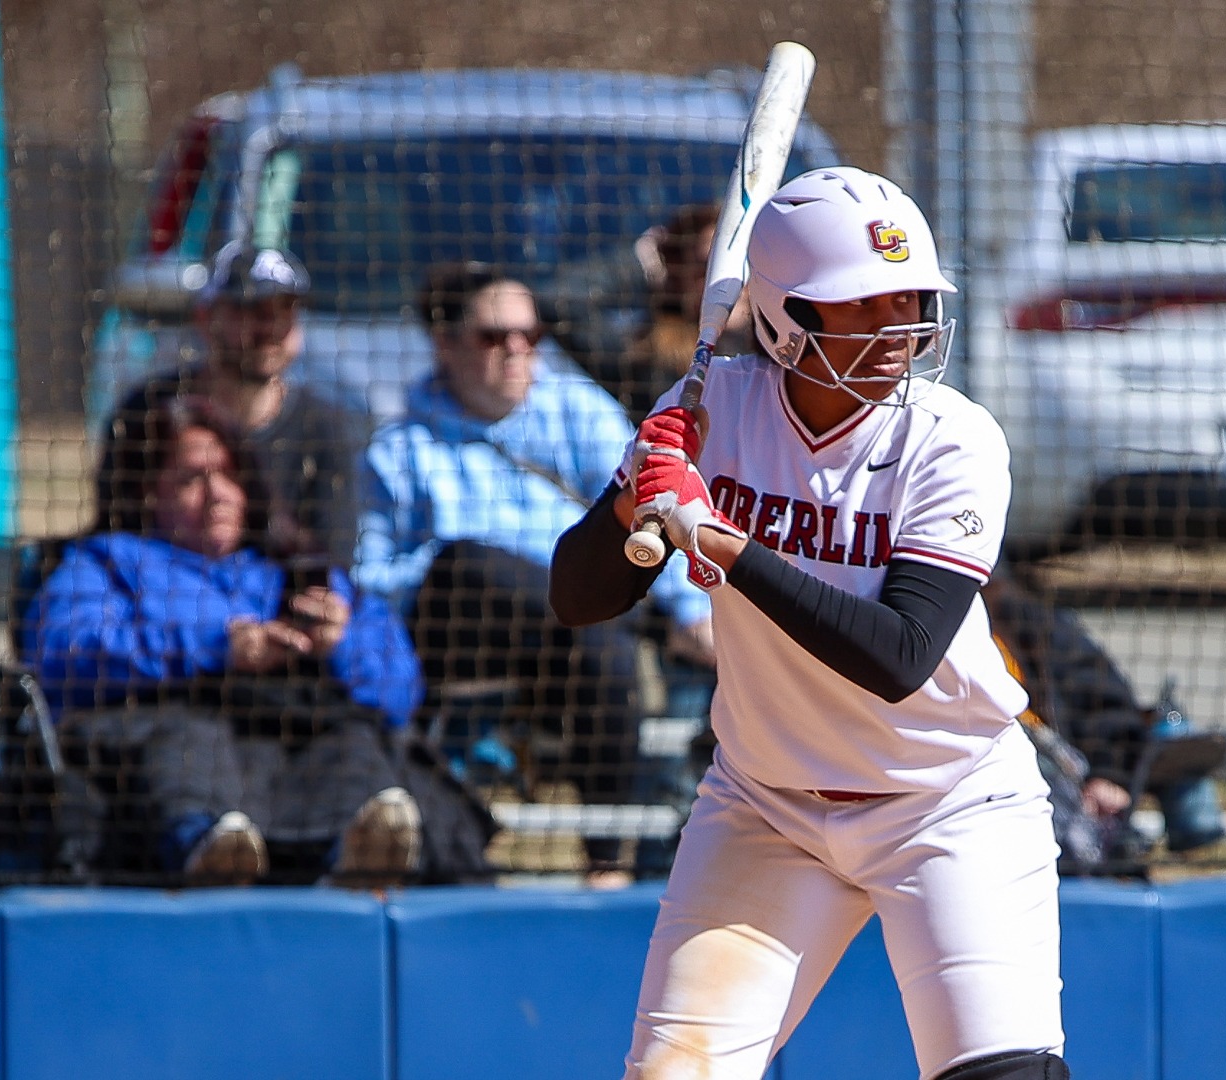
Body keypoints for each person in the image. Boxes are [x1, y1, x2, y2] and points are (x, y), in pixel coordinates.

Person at [551, 167, 1070, 1080]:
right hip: (767, 804)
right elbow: (579, 598)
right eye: (864, 307)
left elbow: (900, 655)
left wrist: (720, 540)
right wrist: (635, 490)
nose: (899, 328)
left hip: (947, 798)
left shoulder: (952, 439)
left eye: (909, 299)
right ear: (790, 317)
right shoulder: (713, 412)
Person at [354, 262, 715, 884]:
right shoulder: (400, 449)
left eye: (530, 336)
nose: (517, 351)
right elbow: (373, 579)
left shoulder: (573, 409)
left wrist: (691, 612)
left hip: (575, 636)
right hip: (462, 633)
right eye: (494, 337)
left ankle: (608, 859)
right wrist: (460, 561)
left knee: (600, 634)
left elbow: (651, 500)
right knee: (471, 560)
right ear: (446, 344)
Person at [28, 397, 486, 886]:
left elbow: (399, 693)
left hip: (287, 753)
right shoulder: (104, 564)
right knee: (191, 737)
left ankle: (356, 861)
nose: (217, 494)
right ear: (146, 492)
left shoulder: (295, 572)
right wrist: (215, 648)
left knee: (351, 740)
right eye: (190, 479)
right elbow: (65, 650)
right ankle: (209, 854)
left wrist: (341, 645)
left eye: (228, 475)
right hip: (151, 748)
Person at [98, 242, 365, 564]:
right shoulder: (145, 414)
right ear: (205, 318)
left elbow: (331, 565)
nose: (270, 327)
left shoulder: (324, 428)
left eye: (285, 311)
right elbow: (113, 539)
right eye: (252, 309)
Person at [982, 571, 1226, 874]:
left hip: (1055, 801)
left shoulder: (1021, 619)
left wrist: (1108, 773)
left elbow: (1106, 702)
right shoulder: (920, 622)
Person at [537, 204, 755, 419]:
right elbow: (558, 301)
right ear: (677, 277)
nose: (729, 279)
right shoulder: (647, 356)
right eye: (708, 267)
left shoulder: (779, 344)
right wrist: (640, 264)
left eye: (741, 263)